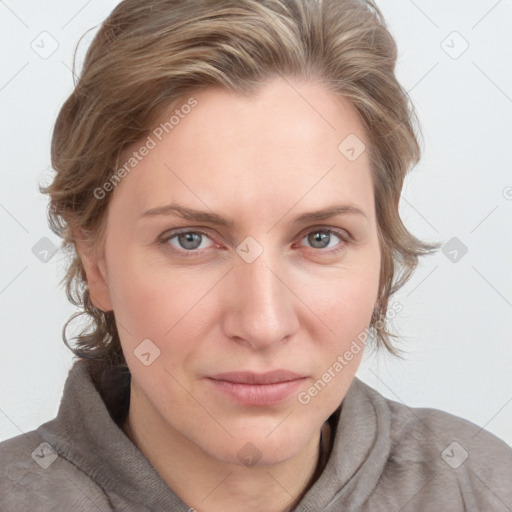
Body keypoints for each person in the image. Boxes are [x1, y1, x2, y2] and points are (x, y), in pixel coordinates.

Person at [1, 0, 511, 510]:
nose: (263, 324)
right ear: (97, 262)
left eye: (320, 238)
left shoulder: (480, 487)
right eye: (191, 239)